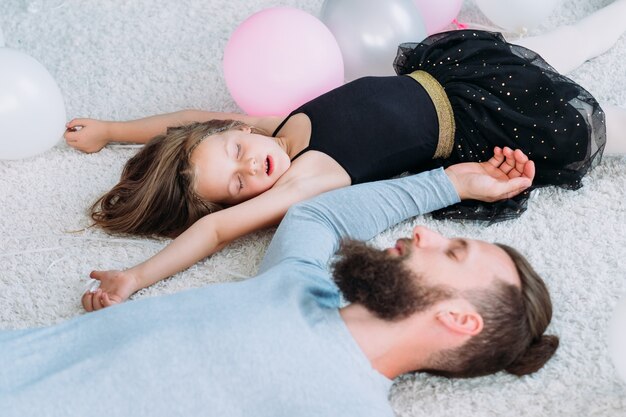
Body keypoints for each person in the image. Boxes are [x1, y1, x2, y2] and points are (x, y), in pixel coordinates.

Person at [65, 1, 626, 310]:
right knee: (598, 131)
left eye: (235, 150)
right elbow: (213, 234)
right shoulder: (301, 182)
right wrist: (134, 277)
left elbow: (187, 118)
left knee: (568, 45)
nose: (249, 165)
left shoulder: (272, 127)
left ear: (229, 129)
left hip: (459, 73)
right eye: (237, 184)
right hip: (480, 125)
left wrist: (113, 129)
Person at [0, 156, 557, 417]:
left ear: (459, 320)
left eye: (454, 252)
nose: (425, 234)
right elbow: (319, 218)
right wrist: (450, 181)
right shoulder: (302, 285)